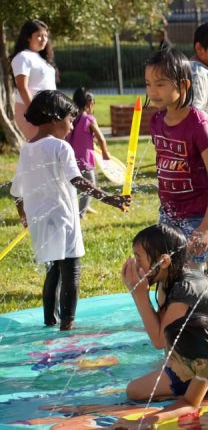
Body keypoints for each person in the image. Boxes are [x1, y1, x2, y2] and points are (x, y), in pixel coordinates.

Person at [10, 90, 129, 331]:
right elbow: (78, 180)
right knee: (71, 272)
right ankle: (68, 325)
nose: (72, 125)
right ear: (55, 118)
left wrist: (24, 216)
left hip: (40, 221)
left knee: (52, 271)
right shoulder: (61, 147)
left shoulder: (27, 148)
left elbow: (16, 192)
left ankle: (49, 321)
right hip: (63, 219)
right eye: (70, 119)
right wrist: (110, 198)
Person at [120, 223, 208, 403]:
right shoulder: (170, 281)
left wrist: (139, 295)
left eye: (138, 258)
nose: (135, 264)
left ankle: (205, 392)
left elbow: (160, 340)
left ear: (163, 261)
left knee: (134, 391)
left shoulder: (184, 289)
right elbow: (164, 332)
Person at [146, 47, 208, 267]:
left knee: (190, 275)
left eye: (160, 84)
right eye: (148, 84)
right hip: (169, 212)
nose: (152, 91)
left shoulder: (197, 125)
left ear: (183, 85)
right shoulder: (157, 121)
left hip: (198, 214)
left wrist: (207, 226)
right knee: (166, 272)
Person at [67, 87, 111, 217]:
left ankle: (81, 208)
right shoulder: (89, 119)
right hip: (84, 163)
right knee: (91, 187)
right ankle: (81, 214)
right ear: (89, 103)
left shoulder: (70, 118)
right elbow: (101, 138)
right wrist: (105, 153)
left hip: (70, 161)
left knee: (74, 187)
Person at [11, 19, 58, 141]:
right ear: (28, 37)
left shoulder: (41, 58)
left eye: (45, 36)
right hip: (31, 111)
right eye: (39, 36)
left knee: (51, 149)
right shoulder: (22, 57)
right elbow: (22, 87)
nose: (43, 39)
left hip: (48, 111)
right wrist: (34, 112)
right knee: (41, 148)